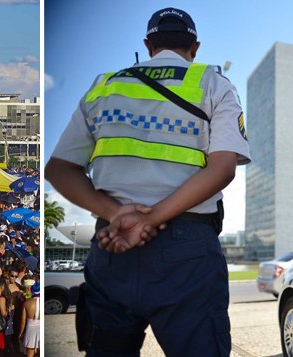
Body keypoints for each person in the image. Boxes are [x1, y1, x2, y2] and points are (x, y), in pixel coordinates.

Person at [45, 6, 249, 357]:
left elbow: (59, 169)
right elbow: (222, 169)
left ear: (148, 44)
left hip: (113, 245)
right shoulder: (213, 83)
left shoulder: (105, 86)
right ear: (194, 47)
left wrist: (118, 215)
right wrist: (150, 220)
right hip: (188, 251)